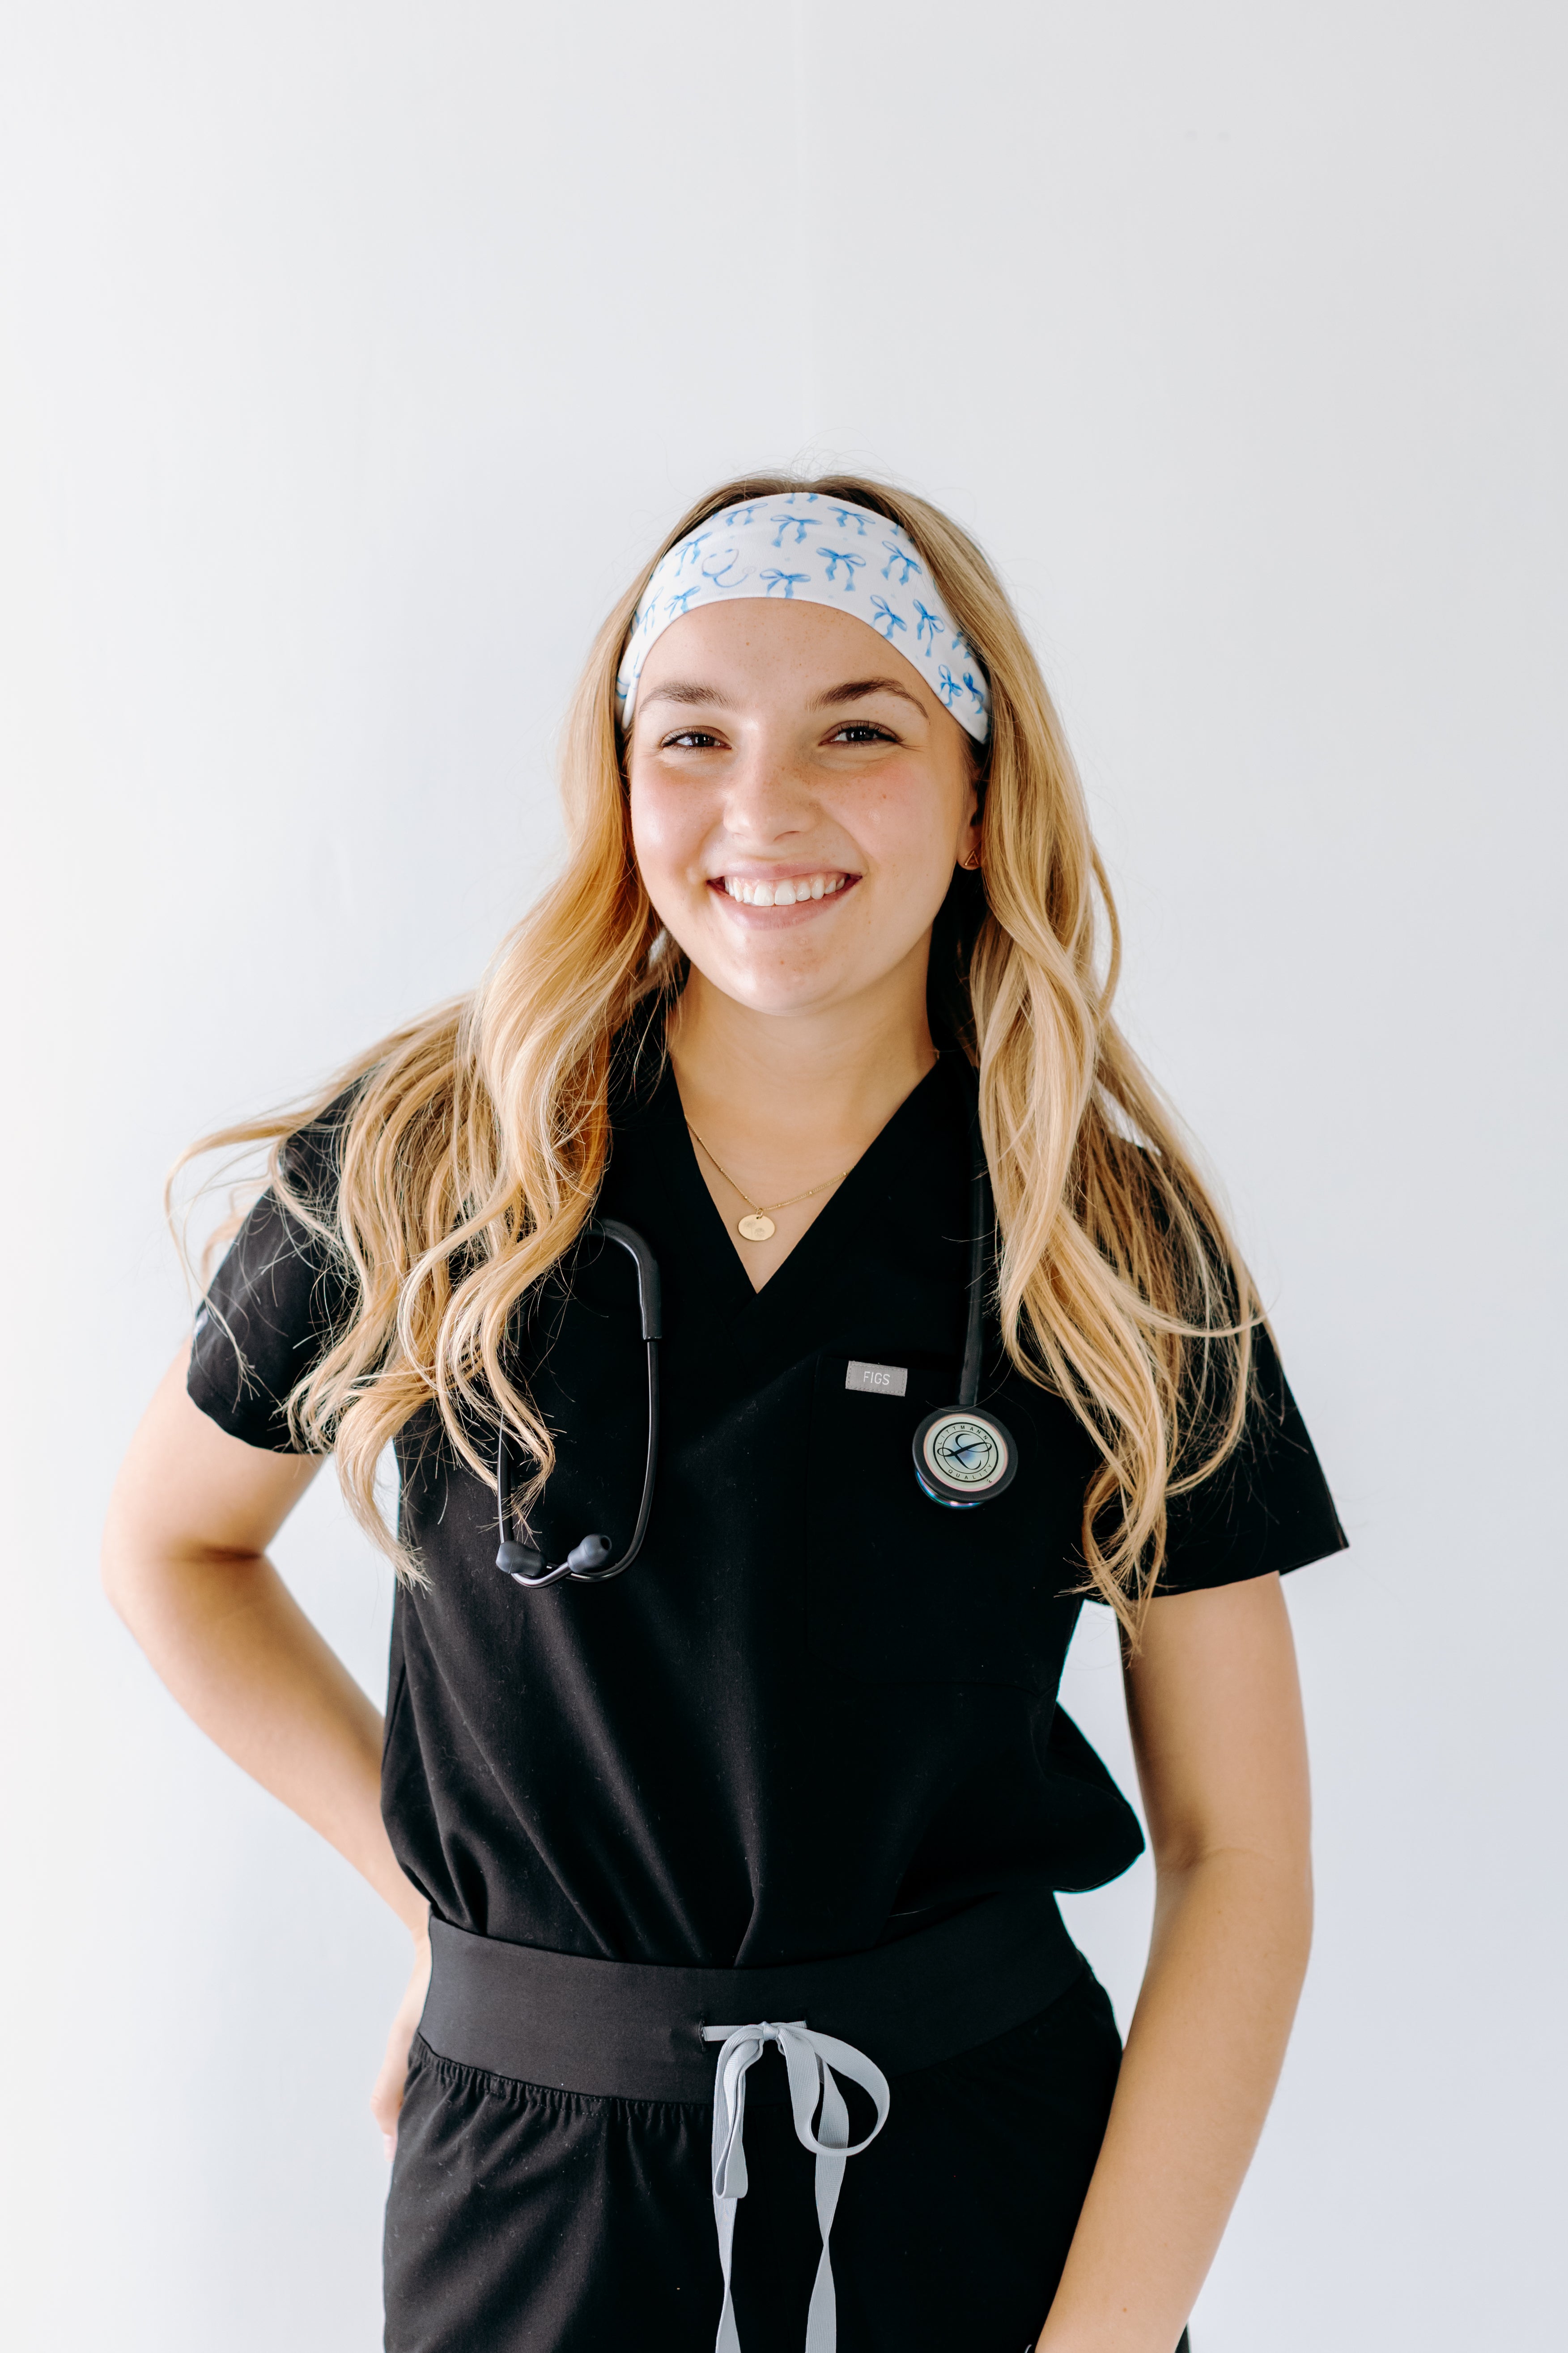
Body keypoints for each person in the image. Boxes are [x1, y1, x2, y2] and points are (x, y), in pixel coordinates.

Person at [102, 475, 1345, 2353]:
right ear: (619, 783)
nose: (765, 808)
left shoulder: (1097, 1242)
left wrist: (1098, 2340)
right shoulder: (436, 1165)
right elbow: (169, 1544)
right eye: (694, 737)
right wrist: (433, 1899)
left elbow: (1241, 1852)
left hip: (977, 2185)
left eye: (861, 729)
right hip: (528, 2190)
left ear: (980, 786)